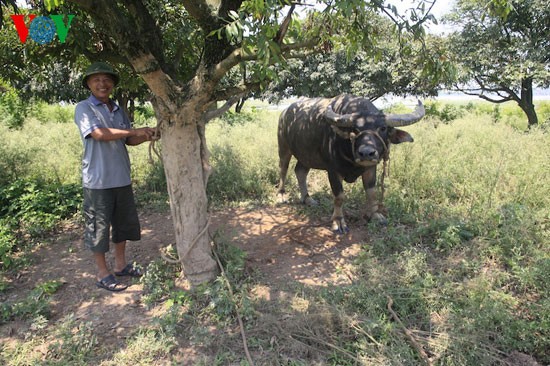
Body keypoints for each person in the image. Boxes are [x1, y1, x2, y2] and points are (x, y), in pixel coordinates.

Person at [74, 61, 159, 292]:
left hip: (121, 178)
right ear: (89, 84)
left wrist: (147, 134)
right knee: (98, 228)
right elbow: (99, 134)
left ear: (112, 84)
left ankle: (120, 266)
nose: (102, 84)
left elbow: (128, 140)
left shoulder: (118, 109)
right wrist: (134, 130)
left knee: (122, 226)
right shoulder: (84, 108)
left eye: (107, 80)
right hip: (98, 181)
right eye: (96, 80)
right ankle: (103, 273)